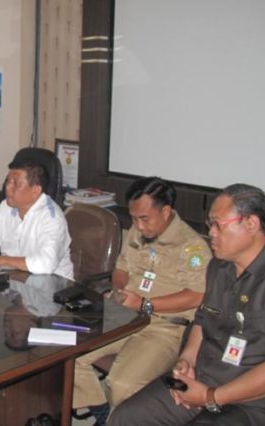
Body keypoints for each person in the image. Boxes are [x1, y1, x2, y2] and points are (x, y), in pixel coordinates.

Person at [109, 184, 265, 426]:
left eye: (217, 224)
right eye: (209, 225)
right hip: (208, 378)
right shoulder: (219, 268)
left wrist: (210, 397)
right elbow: (202, 320)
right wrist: (187, 361)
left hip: (263, 405)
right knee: (126, 417)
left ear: (251, 224)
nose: (210, 232)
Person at [73, 177, 211, 423]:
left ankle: (115, 415)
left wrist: (145, 304)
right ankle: (104, 413)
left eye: (144, 218)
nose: (137, 225)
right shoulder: (137, 232)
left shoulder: (192, 247)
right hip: (125, 313)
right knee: (68, 357)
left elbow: (197, 295)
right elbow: (121, 269)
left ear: (166, 211)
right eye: (133, 218)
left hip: (164, 326)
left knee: (121, 385)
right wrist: (119, 291)